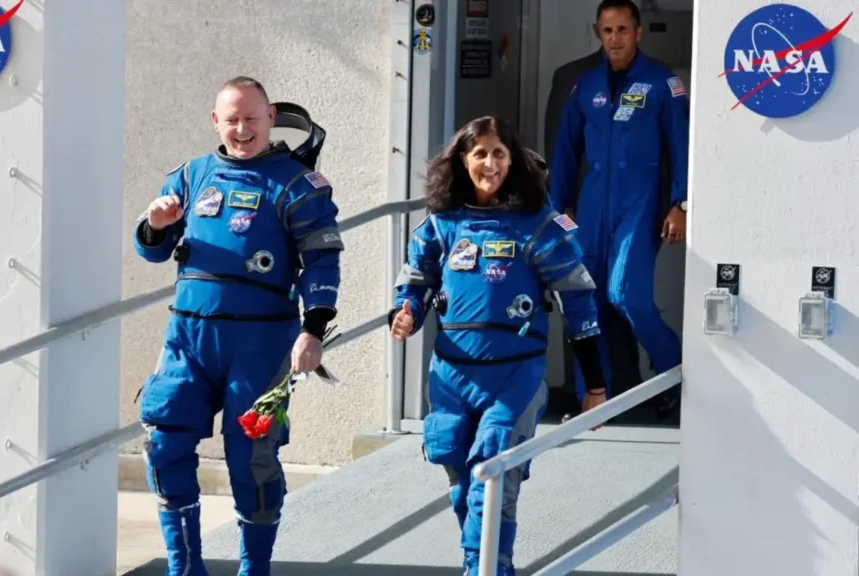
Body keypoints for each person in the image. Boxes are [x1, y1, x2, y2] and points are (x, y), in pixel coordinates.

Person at [132, 76, 343, 576]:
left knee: (252, 455)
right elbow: (153, 249)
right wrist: (154, 226)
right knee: (164, 443)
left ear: (271, 118)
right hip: (188, 339)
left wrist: (313, 330)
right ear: (215, 121)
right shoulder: (191, 175)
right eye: (232, 119)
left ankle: (255, 568)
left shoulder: (296, 184)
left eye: (252, 118)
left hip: (262, 342)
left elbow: (322, 262)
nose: (242, 129)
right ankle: (185, 569)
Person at [388, 116, 610, 576]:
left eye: (499, 153)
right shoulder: (443, 223)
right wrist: (406, 311)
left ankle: (486, 568)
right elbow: (417, 278)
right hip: (451, 373)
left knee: (492, 478)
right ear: (462, 161)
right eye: (480, 154)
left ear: (514, 159)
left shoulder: (539, 226)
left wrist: (595, 385)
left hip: (515, 375)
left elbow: (579, 304)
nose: (490, 164)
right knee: (459, 476)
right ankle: (485, 561)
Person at [549, 0, 688, 418]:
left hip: (640, 206)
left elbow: (682, 148)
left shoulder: (663, 82)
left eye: (623, 30)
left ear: (639, 32)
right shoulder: (585, 85)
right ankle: (594, 398)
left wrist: (681, 203)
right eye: (608, 31)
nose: (615, 39)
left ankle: (676, 373)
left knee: (627, 295)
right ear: (598, 33)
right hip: (591, 210)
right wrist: (559, 215)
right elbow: (564, 154)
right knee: (586, 303)